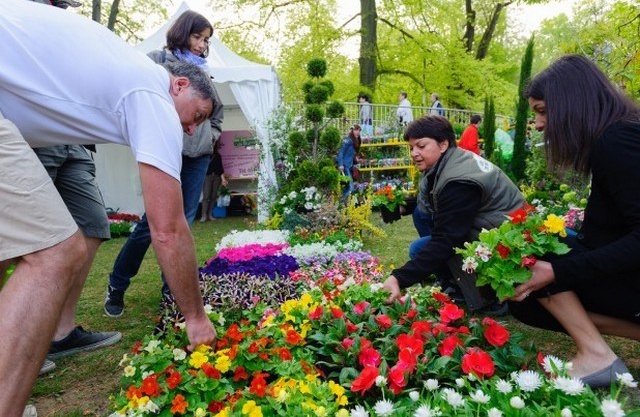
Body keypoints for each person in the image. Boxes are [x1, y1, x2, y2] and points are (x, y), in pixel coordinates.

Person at [0, 2, 217, 415]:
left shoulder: (131, 73)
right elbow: (167, 228)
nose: (190, 130)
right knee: (57, 253)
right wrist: (195, 317)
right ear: (180, 86)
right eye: (196, 117)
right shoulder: (152, 92)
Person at [507, 54, 640, 387]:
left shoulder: (617, 142)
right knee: (525, 300)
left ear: (571, 104)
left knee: (531, 258)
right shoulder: (615, 137)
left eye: (542, 110)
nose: (537, 124)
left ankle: (597, 356)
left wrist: (557, 270)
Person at [23, 0, 121, 378]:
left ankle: (61, 333)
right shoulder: (18, 13)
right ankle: (16, 340)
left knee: (93, 225)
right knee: (26, 240)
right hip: (29, 133)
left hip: (71, 138)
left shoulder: (62, 19)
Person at [104, 10, 224, 317]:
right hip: (165, 153)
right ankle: (117, 284)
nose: (201, 45)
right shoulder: (157, 60)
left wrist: (211, 136)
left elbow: (216, 110)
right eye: (198, 36)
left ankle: (171, 293)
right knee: (152, 224)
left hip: (198, 157)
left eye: (206, 40)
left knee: (183, 221)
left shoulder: (204, 71)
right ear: (183, 32)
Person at [382, 115, 524, 314]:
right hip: (496, 227)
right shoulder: (451, 162)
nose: (414, 153)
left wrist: (398, 277)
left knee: (421, 249)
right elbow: (436, 200)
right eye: (412, 147)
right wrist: (402, 206)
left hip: (507, 242)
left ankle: (489, 294)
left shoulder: (459, 181)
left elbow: (447, 239)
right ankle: (455, 280)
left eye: (421, 146)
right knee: (421, 219)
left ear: (443, 144)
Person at [200, 139, 228, 222]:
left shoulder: (218, 156)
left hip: (216, 177)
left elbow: (220, 170)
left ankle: (210, 214)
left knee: (213, 196)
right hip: (207, 177)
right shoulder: (204, 155)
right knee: (206, 196)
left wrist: (223, 180)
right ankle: (203, 216)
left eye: (214, 143)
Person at [336, 125, 362, 204]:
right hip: (345, 166)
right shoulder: (347, 140)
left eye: (359, 130)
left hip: (350, 166)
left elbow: (350, 154)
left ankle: (344, 205)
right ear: (352, 131)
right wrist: (340, 164)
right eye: (356, 130)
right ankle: (341, 204)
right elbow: (340, 153)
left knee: (348, 186)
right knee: (351, 187)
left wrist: (356, 159)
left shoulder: (355, 141)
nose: (358, 132)